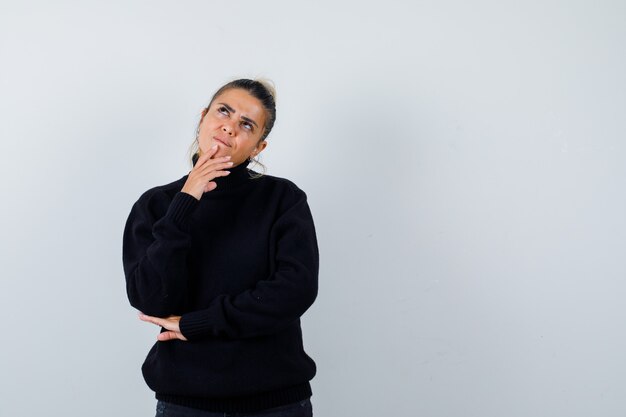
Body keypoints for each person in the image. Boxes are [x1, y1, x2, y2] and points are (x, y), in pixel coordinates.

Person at [122, 79, 318, 417]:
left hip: (275, 400)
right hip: (186, 401)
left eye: (246, 124)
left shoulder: (282, 200)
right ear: (203, 117)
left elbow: (294, 291)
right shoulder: (156, 205)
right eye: (223, 111)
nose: (229, 126)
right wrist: (186, 200)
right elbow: (151, 299)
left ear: (258, 148)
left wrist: (198, 324)